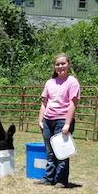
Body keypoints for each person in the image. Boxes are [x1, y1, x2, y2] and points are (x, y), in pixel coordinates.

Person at [36, 53, 80, 187]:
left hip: (62, 120)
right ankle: (48, 178)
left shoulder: (72, 82)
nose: (60, 66)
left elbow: (73, 104)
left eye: (63, 63)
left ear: (68, 65)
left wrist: (67, 124)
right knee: (49, 151)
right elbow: (44, 103)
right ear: (54, 66)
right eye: (57, 64)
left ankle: (61, 180)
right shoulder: (49, 83)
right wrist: (40, 120)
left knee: (61, 151)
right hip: (48, 120)